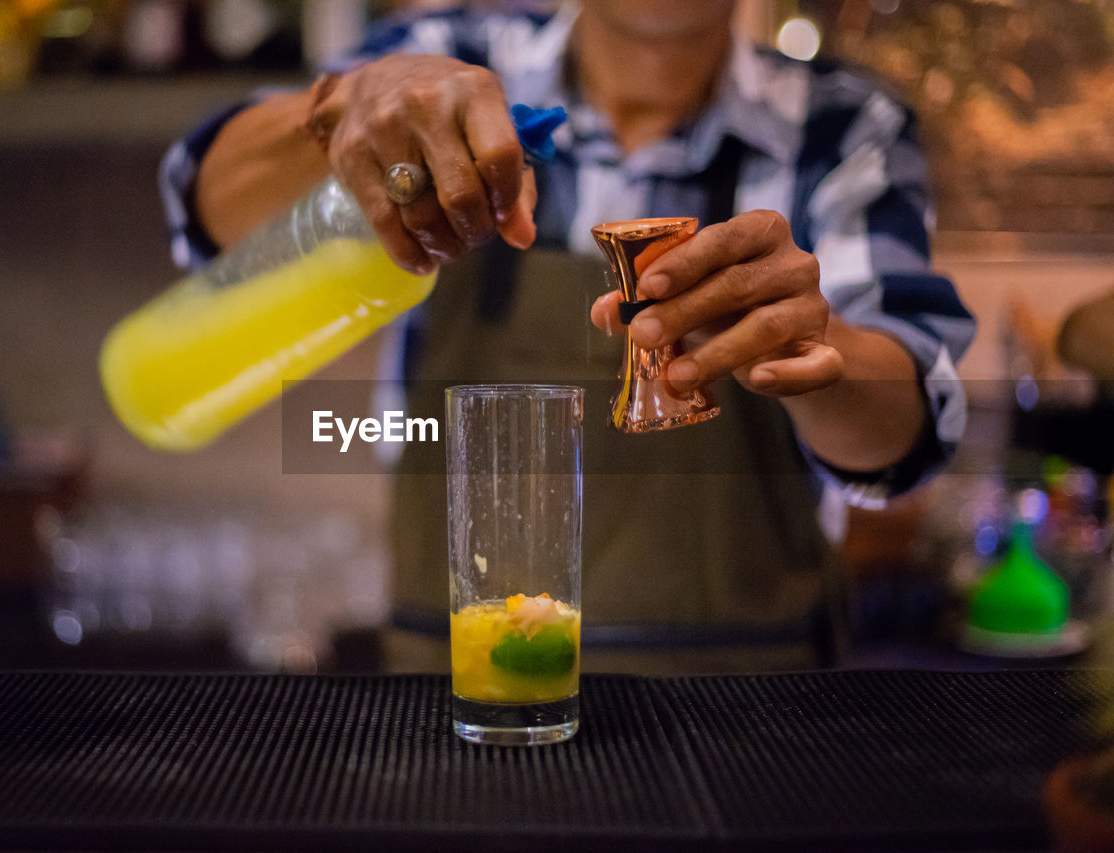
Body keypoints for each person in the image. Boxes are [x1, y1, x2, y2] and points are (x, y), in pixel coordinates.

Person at [159, 0, 976, 673]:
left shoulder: (849, 128)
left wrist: (815, 349)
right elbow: (207, 208)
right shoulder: (443, 57)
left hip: (749, 711)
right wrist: (342, 115)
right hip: (459, 692)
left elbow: (905, 435)